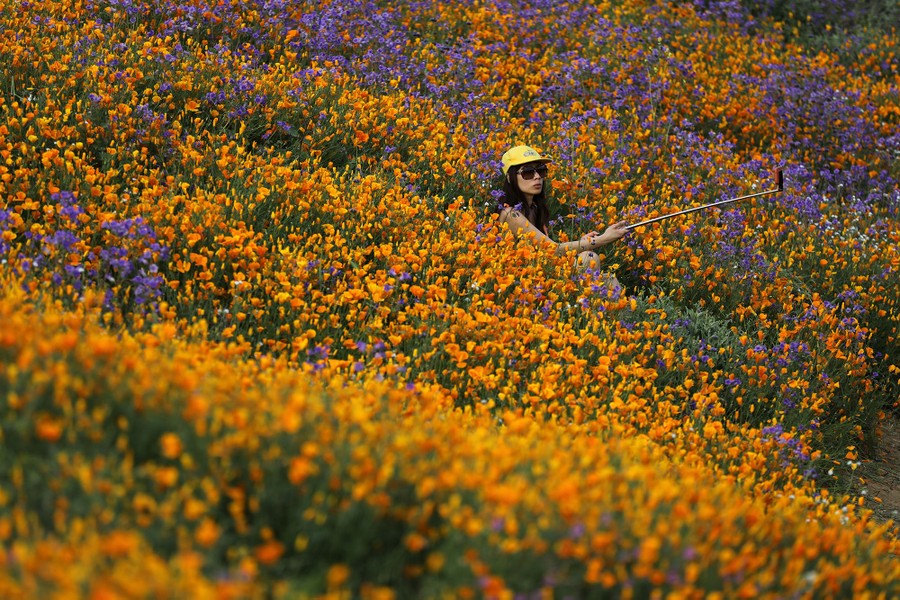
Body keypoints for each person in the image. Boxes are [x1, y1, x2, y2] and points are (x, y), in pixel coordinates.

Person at [497, 145, 629, 273]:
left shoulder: (535, 209)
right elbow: (552, 249)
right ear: (510, 177)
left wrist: (583, 242)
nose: (537, 176)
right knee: (589, 260)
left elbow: (547, 253)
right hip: (521, 281)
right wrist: (603, 239)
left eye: (541, 170)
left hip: (538, 273)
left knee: (590, 259)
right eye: (528, 172)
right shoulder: (510, 214)